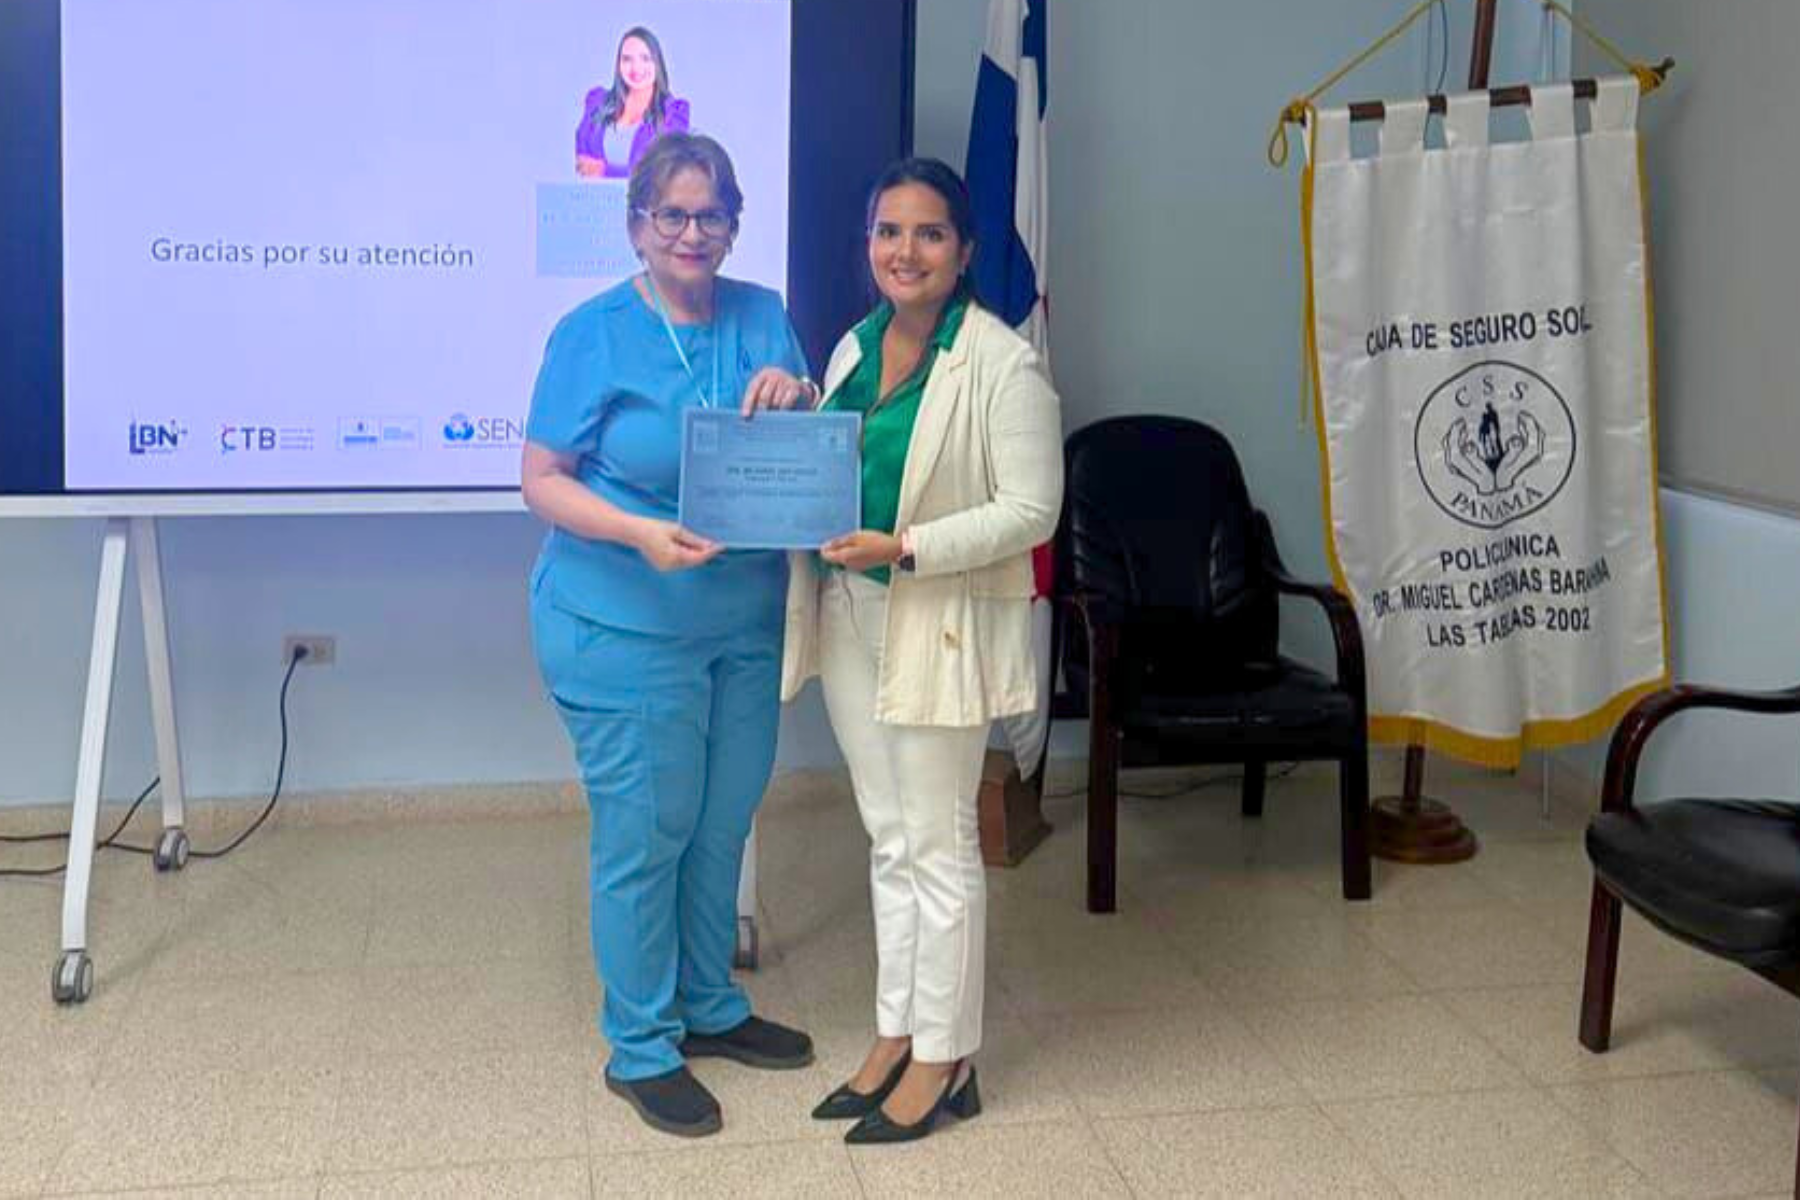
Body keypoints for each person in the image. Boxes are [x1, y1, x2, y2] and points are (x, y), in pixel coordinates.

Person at [523, 132, 819, 1139]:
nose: (693, 232)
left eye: (711, 215)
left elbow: (804, 455)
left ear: (734, 224)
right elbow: (541, 480)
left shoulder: (765, 315)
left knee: (722, 820)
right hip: (620, 621)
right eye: (673, 215)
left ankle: (709, 1004)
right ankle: (643, 1044)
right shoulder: (593, 333)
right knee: (648, 830)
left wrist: (800, 397)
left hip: (742, 621)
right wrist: (637, 533)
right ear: (637, 225)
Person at [782, 158, 1063, 1145]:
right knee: (891, 837)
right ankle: (897, 1032)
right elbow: (832, 467)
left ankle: (947, 1056)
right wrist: (788, 413)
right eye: (889, 231)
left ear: (965, 250)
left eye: (929, 233)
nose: (906, 251)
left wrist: (906, 547)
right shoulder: (853, 348)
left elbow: (1032, 511)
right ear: (869, 244)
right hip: (852, 618)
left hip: (937, 624)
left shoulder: (1001, 362)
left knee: (941, 844)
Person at [576, 26, 690, 179]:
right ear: (618, 65)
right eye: (627, 59)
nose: (636, 68)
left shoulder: (673, 114)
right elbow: (583, 162)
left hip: (646, 196)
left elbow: (665, 171)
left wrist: (606, 171)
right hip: (594, 195)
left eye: (645, 58)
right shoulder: (597, 103)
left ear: (657, 63)